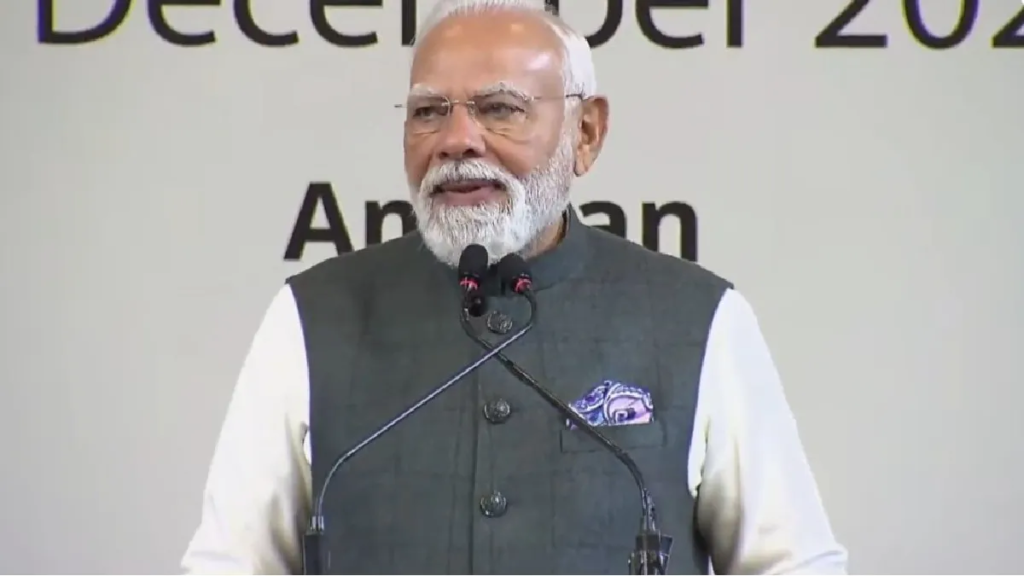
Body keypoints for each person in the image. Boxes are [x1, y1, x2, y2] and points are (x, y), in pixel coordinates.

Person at [180, 0, 848, 573]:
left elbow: (791, 562)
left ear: (586, 133)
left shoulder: (698, 317)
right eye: (428, 112)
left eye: (500, 109)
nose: (456, 140)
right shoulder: (313, 315)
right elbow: (231, 561)